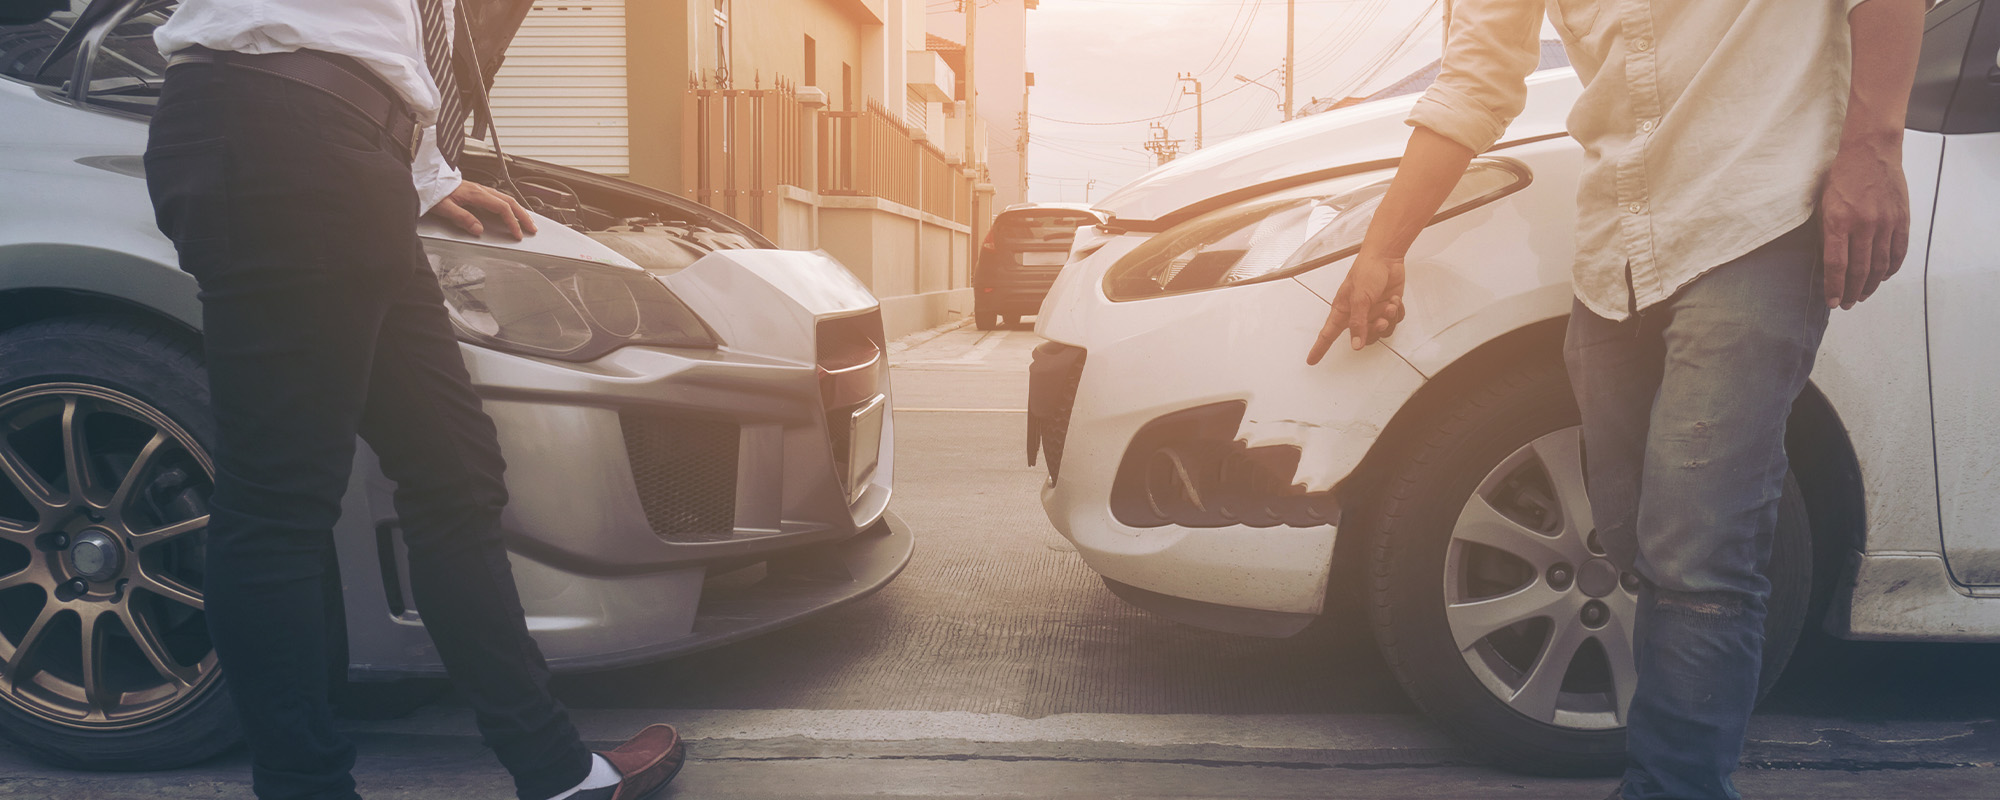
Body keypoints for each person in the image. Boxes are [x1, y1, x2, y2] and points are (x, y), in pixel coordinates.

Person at [1305, 1, 1926, 798]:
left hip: (1758, 215)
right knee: (1635, 540)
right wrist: (1382, 248)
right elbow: (1475, 83)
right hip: (1619, 243)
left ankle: (1674, 785)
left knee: (1700, 553)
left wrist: (1873, 147)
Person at [141, 1, 686, 798]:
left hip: (351, 152)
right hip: (279, 131)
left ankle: (557, 771)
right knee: (280, 502)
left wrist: (424, 172)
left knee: (455, 471)